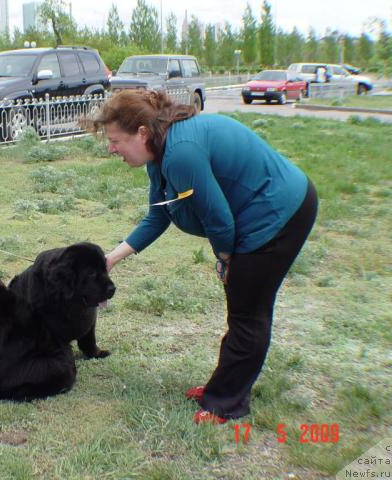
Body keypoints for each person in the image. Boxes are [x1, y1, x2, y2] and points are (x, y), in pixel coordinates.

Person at [89, 90, 318, 424]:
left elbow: (219, 221)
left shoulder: (180, 153)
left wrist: (225, 260)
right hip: (265, 210)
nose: (111, 148)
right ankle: (225, 385)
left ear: (141, 132)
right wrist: (111, 259)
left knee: (247, 311)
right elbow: (158, 215)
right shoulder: (160, 152)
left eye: (115, 140)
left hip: (278, 214)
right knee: (243, 307)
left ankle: (225, 404)